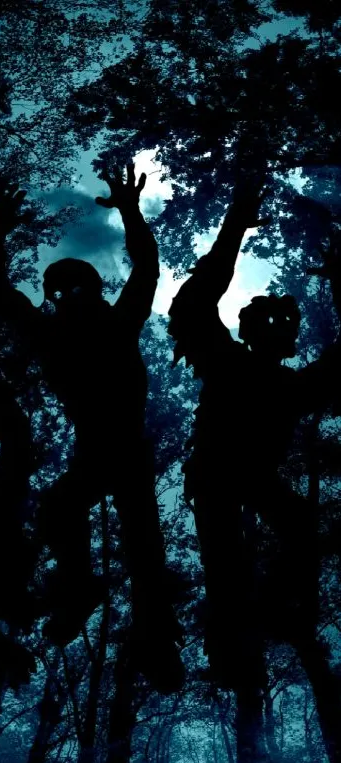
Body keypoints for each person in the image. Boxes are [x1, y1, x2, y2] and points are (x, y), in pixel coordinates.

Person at [0, 164, 184, 694]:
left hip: (121, 449)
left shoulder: (110, 325)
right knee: (78, 517)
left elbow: (146, 270)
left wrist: (132, 212)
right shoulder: (69, 331)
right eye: (62, 289)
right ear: (56, 297)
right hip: (103, 449)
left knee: (139, 546)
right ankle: (87, 596)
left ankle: (153, 639)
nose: (71, 295)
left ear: (93, 290)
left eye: (77, 286)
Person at [168, 177, 341, 687]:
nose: (272, 328)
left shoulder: (280, 381)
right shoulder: (231, 364)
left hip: (235, 476)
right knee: (231, 563)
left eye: (280, 322)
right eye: (263, 320)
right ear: (249, 330)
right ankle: (239, 640)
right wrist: (234, 226)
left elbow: (194, 308)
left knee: (284, 537)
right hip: (221, 476)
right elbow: (194, 307)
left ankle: (264, 618)